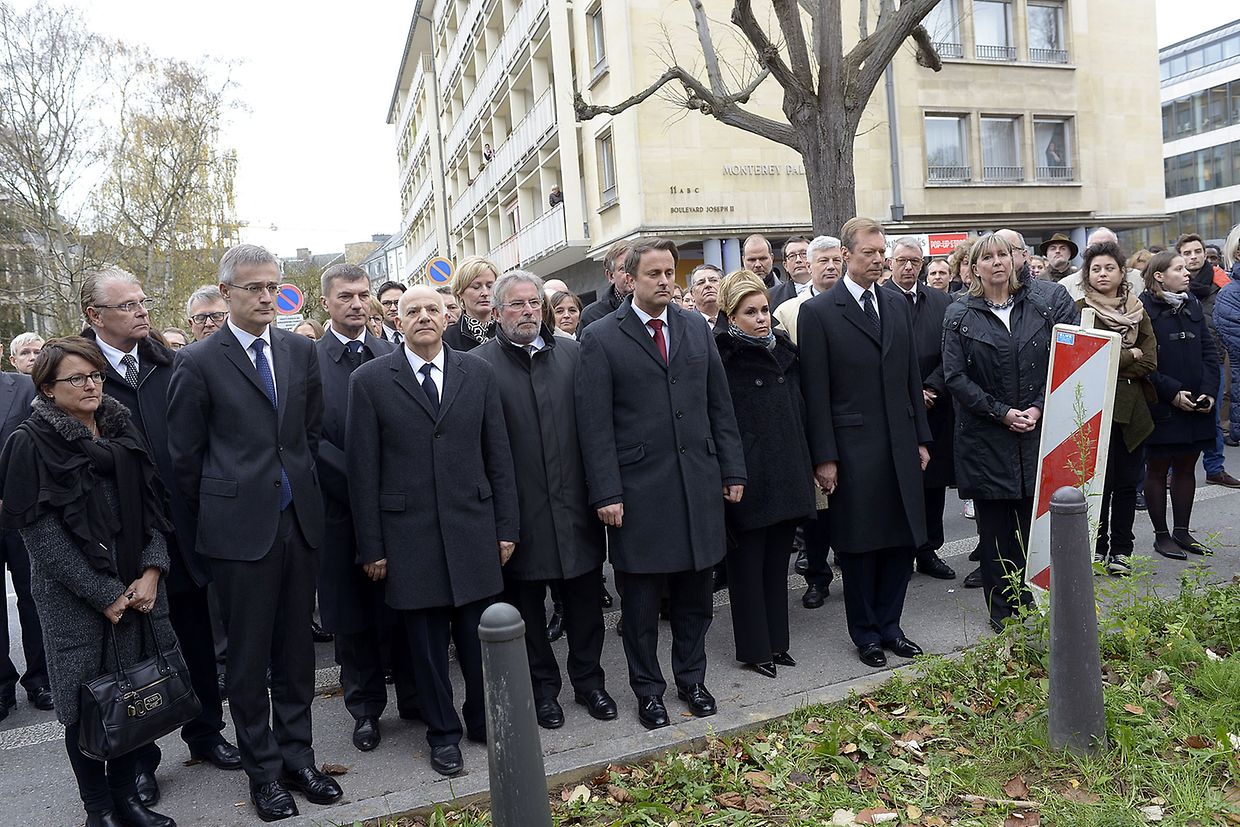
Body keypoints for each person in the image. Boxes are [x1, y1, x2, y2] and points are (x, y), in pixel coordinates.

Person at [167, 244, 339, 822]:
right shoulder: (197, 361)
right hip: (238, 533)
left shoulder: (297, 350)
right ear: (227, 294)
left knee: (296, 653)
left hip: (297, 522)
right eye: (253, 289)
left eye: (273, 287)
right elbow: (184, 460)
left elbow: (308, 435)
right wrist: (221, 515)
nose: (267, 297)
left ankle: (300, 758)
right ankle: (262, 771)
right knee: (246, 660)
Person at [80, 267, 242, 806]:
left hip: (185, 524)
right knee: (138, 649)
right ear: (93, 316)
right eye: (127, 305)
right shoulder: (79, 372)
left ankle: (205, 732)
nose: (142, 312)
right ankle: (143, 759)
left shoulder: (169, 362)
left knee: (196, 635)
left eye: (143, 301)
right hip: (124, 535)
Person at [0, 337, 177, 827]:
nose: (91, 385)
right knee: (85, 708)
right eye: (76, 378)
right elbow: (40, 537)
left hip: (135, 589)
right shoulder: (30, 441)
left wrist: (151, 572)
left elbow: (155, 508)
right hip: (75, 600)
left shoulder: (121, 429)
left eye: (95, 375)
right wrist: (104, 596)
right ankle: (98, 812)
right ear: (48, 387)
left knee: (130, 702)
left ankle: (128, 802)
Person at [347, 285, 518, 776]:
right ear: (395, 320)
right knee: (424, 645)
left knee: (476, 636)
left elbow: (498, 456)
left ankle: (482, 720)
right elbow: (363, 471)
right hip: (408, 537)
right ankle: (443, 734)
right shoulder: (370, 381)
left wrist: (506, 525)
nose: (423, 316)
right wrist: (372, 546)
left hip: (472, 528)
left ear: (448, 316)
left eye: (432, 309)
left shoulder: (477, 372)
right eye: (411, 311)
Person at [576, 237, 745, 729]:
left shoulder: (694, 327)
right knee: (643, 604)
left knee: (696, 597)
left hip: (697, 486)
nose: (665, 281)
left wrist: (732, 469)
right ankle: (647, 690)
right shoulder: (602, 336)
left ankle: (692, 679)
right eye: (654, 273)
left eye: (670, 272)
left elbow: (719, 405)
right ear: (629, 278)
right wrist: (606, 492)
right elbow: (594, 424)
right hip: (639, 492)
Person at [474, 271, 616, 728]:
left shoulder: (575, 354)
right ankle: (543, 690)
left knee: (584, 605)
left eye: (535, 303)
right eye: (517, 305)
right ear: (496, 313)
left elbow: (597, 431)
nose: (529, 312)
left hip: (575, 506)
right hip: (520, 514)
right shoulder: (477, 366)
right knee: (528, 611)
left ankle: (590, 683)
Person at [798, 218, 930, 667]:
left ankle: (892, 626)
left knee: (899, 540)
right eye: (870, 252)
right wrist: (825, 457)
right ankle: (866, 633)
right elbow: (815, 394)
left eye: (882, 251)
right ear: (846, 255)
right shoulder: (818, 312)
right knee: (858, 544)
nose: (878, 259)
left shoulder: (895, 303)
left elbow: (911, 376)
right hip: (852, 449)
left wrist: (921, 438)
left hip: (900, 441)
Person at [943, 233, 1077, 633]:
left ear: (1017, 260)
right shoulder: (959, 314)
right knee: (997, 532)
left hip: (1035, 433)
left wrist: (1037, 406)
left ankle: (1035, 605)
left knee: (1034, 525)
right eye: (987, 257)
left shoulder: (1039, 307)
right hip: (986, 437)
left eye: (1003, 254)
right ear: (973, 267)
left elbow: (1059, 361)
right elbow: (955, 377)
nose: (997, 262)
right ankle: (1004, 615)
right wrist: (1001, 413)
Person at [311, 264, 417, 754]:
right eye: (345, 296)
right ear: (326, 302)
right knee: (354, 619)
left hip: (395, 509)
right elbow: (308, 439)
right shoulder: (308, 361)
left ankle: (415, 699)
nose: (357, 304)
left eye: (363, 295)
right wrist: (359, 482)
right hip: (340, 509)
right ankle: (366, 710)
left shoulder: (391, 353)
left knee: (403, 607)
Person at [715, 270, 814, 677]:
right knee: (747, 569)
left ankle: (778, 643)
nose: (761, 319)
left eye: (764, 311)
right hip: (748, 476)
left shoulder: (783, 348)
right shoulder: (723, 355)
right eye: (750, 312)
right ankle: (755, 649)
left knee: (777, 565)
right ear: (731, 315)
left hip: (786, 470)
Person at [1074, 242, 1156, 576]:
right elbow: (1091, 359)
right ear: (1087, 275)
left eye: (1109, 267)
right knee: (1097, 487)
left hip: (1133, 411)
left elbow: (1150, 360)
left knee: (1125, 486)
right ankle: (1095, 548)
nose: (1103, 273)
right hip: (1097, 409)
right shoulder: (1081, 309)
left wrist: (1123, 358)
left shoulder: (1137, 308)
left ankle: (1121, 551)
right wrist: (1127, 354)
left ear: (1122, 272)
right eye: (1096, 268)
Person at [773, 235, 842, 607]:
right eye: (823, 261)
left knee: (850, 505)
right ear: (809, 267)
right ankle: (817, 576)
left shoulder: (860, 305)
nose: (830, 267)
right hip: (809, 419)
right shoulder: (788, 312)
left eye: (835, 260)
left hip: (849, 419)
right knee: (818, 508)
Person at [883, 237, 956, 581]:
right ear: (890, 263)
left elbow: (950, 352)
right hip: (894, 408)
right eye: (902, 261)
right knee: (897, 483)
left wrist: (931, 388)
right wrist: (912, 393)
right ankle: (901, 551)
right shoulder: (879, 300)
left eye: (915, 261)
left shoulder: (941, 301)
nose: (909, 267)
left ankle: (928, 550)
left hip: (935, 405)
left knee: (933, 483)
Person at [1140, 250, 1219, 559]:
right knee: (1158, 469)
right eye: (1179, 269)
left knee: (1188, 467)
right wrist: (1172, 393)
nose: (1187, 273)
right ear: (1159, 275)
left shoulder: (1192, 304)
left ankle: (1182, 532)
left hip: (1197, 402)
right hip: (1162, 403)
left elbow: (1209, 353)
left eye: (1186, 269)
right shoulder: (1143, 308)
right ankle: (1162, 536)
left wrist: (1209, 393)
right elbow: (1145, 364)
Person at [0, 353, 47, 722]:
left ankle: (41, 679)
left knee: (34, 596)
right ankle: (1, 687)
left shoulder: (24, 387)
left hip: (23, 512)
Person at [1178, 232, 1240, 487]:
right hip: (1181, 361)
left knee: (1212, 415)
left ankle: (1215, 468)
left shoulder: (1221, 283)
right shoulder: (1172, 284)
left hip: (1213, 357)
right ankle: (1175, 470)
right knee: (1179, 416)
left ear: (1205, 253)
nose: (1193, 257)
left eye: (1197, 252)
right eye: (1187, 253)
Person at [442, 255, 498, 351]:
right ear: (460, 293)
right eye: (476, 287)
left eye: (490, 286)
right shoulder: (445, 339)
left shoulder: (509, 331)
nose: (485, 293)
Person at [578, 241, 632, 332]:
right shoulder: (592, 315)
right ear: (610, 276)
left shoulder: (657, 306)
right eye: (623, 269)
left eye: (634, 267)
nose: (630, 274)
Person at [768, 236, 812, 309]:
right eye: (792, 256)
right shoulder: (771, 296)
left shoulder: (828, 290)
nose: (798, 260)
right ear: (785, 265)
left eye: (804, 254)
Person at [689, 263, 727, 331]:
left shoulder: (734, 320)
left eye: (713, 280)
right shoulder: (685, 324)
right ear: (692, 293)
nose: (708, 284)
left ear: (723, 287)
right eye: (701, 282)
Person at [376, 280, 407, 345]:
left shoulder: (416, 334)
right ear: (378, 305)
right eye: (387, 303)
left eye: (397, 302)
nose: (393, 308)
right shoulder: (374, 338)